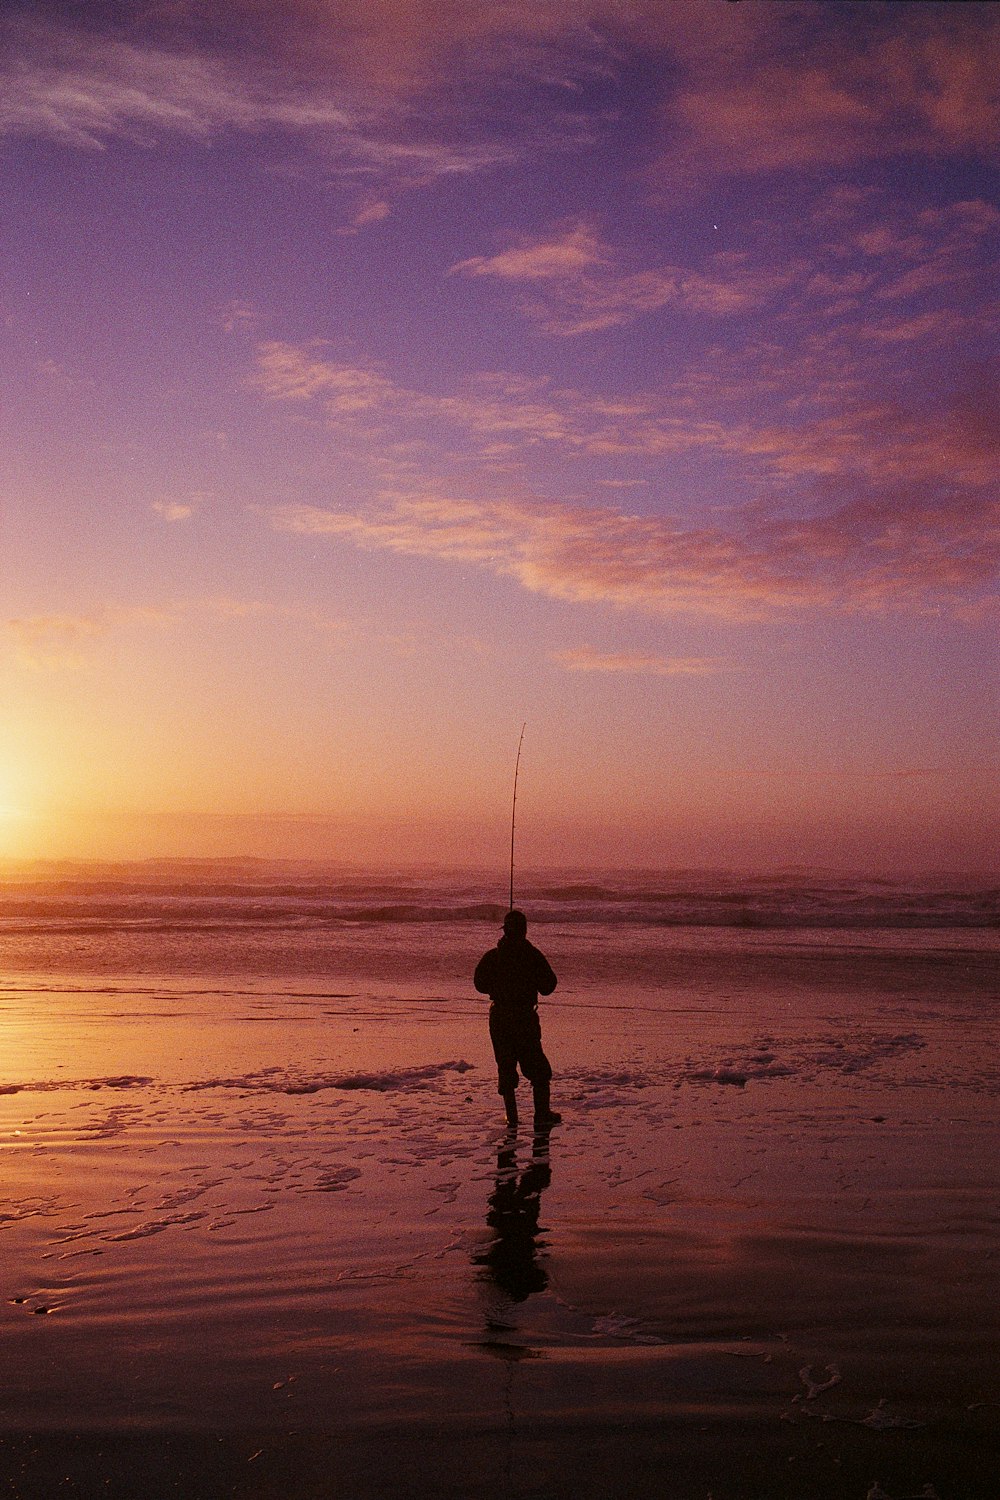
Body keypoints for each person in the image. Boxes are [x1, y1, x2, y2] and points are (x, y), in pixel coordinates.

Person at [474, 909, 560, 1130]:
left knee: (505, 1066)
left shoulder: (493, 956)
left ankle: (512, 1118)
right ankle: (541, 1115)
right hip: (524, 1018)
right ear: (524, 931)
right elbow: (549, 986)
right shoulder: (532, 956)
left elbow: (480, 984)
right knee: (538, 1070)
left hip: (500, 1017)